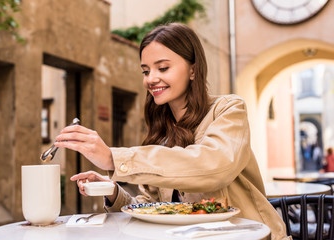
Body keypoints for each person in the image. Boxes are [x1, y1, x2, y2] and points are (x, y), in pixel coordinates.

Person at [55, 23, 289, 239]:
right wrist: (114, 192)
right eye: (146, 71)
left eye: (163, 68)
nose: (151, 79)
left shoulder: (228, 110)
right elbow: (151, 204)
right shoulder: (163, 131)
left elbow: (213, 166)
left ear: (193, 70)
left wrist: (114, 159)